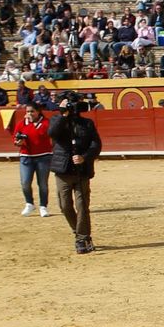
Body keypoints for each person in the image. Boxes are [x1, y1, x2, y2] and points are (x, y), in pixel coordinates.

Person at [49, 96, 103, 255]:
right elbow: (52, 133)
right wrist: (63, 114)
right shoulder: (56, 120)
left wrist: (84, 157)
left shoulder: (87, 123)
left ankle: (82, 238)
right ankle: (79, 232)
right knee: (65, 206)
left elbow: (96, 144)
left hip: (82, 170)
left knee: (82, 206)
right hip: (63, 170)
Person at [13, 103, 52, 218]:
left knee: (43, 183)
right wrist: (18, 142)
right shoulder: (21, 124)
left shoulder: (46, 123)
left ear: (38, 112)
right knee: (25, 182)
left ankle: (43, 206)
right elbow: (15, 139)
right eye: (28, 111)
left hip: (44, 156)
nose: (29, 114)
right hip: (26, 156)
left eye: (32, 111)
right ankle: (29, 203)